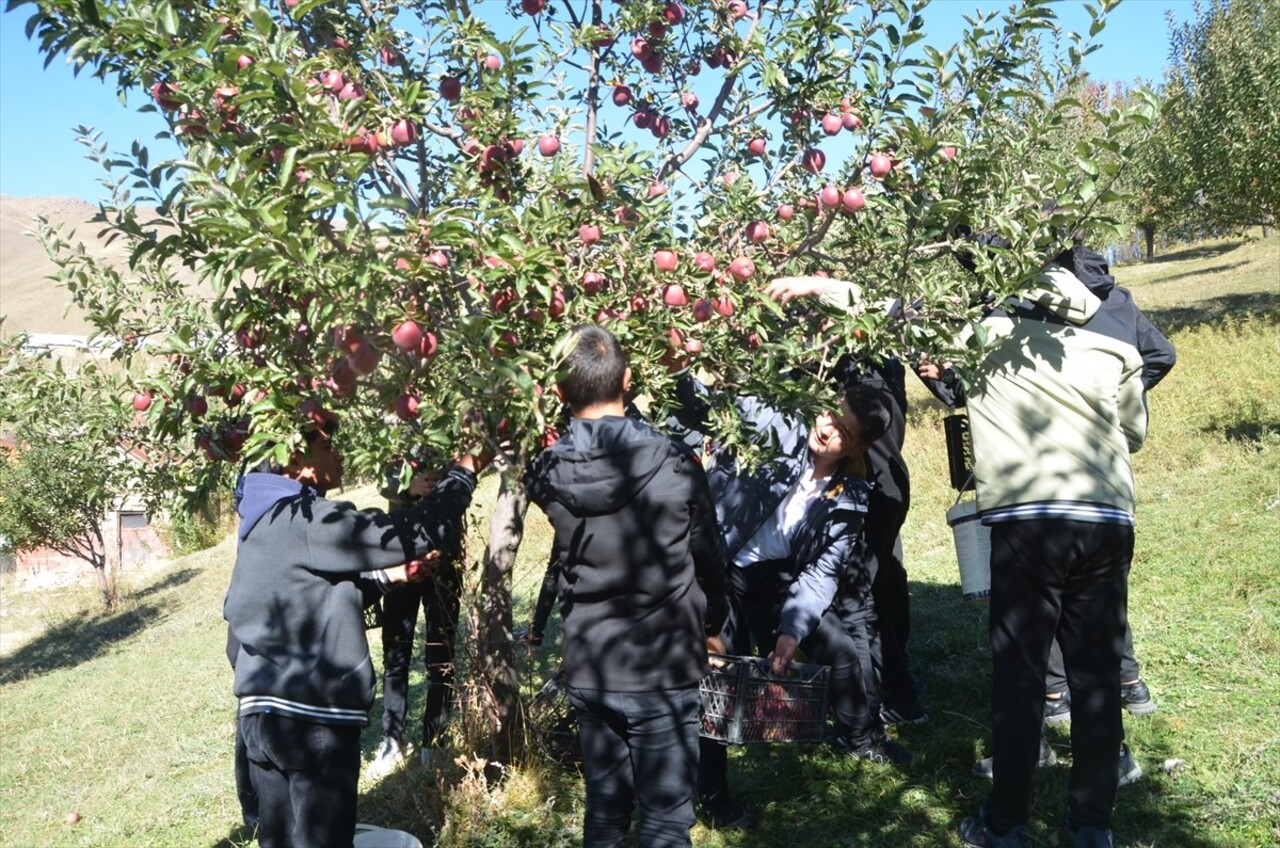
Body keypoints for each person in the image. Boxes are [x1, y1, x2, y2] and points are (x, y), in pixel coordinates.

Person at [914, 257, 1147, 848]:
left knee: (1020, 673)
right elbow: (1135, 434)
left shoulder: (984, 339)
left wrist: (818, 284)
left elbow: (897, 319)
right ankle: (1092, 826)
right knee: (1095, 672)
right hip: (1107, 519)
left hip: (1031, 519)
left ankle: (1005, 823)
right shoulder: (1113, 351)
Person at [674, 338, 910, 828]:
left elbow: (822, 570)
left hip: (772, 578)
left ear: (860, 447)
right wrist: (679, 367)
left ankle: (861, 739)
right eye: (830, 415)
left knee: (840, 650)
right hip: (722, 569)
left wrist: (792, 631)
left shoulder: (851, 494)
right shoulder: (774, 423)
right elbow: (710, 405)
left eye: (843, 432)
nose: (827, 431)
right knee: (719, 674)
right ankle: (713, 793)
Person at [224, 412, 485, 848]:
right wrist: (465, 471)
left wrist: (388, 577)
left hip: (262, 719)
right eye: (328, 446)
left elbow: (305, 595)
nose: (339, 454)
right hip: (312, 720)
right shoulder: (308, 518)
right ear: (296, 458)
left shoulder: (262, 518)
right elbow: (415, 532)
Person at [523, 324, 729, 848]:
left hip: (592, 660)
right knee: (663, 820)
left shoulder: (546, 472)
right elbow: (709, 559)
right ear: (629, 380)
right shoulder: (676, 463)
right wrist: (711, 626)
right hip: (661, 663)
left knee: (607, 810)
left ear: (561, 392)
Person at [1039, 242, 1175, 725]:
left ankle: (1055, 694)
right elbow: (1161, 353)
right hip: (1104, 467)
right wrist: (1113, 404)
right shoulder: (1117, 300)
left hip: (1046, 461)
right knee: (1102, 585)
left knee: (1049, 584)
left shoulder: (1034, 302)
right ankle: (1129, 683)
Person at [370, 461, 467, 774]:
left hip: (446, 562)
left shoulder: (450, 432)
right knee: (395, 653)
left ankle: (433, 742)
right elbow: (381, 479)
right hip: (401, 558)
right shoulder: (396, 436)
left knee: (441, 655)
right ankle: (392, 740)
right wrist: (408, 489)